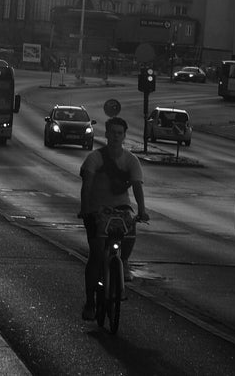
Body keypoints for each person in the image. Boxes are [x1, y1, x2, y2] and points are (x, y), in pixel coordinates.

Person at [78, 116, 148, 321]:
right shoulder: (95, 158)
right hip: (96, 210)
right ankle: (90, 302)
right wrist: (85, 209)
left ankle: (123, 262)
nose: (116, 136)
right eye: (113, 132)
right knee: (97, 255)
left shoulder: (130, 160)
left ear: (124, 136)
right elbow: (87, 186)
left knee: (131, 229)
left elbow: (137, 186)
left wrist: (142, 211)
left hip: (120, 209)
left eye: (120, 133)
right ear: (107, 134)